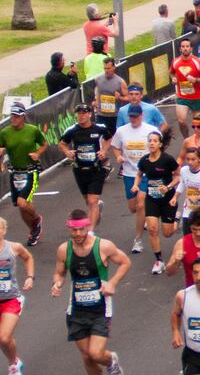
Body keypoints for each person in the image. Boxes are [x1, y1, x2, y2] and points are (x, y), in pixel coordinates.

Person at [51, 209, 131, 375]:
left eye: (81, 230)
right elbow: (59, 273)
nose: (78, 234)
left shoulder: (103, 246)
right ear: (69, 228)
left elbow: (125, 262)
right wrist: (57, 283)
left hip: (100, 308)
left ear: (87, 227)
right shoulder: (64, 250)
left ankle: (111, 360)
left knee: (96, 354)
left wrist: (111, 282)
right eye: (74, 230)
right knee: (86, 355)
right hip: (76, 309)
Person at [110, 105, 157, 254]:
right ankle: (148, 214)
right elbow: (115, 146)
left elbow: (158, 146)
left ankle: (137, 240)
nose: (133, 119)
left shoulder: (150, 130)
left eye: (136, 116)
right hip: (129, 173)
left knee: (141, 203)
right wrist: (118, 156)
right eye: (131, 116)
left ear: (142, 115)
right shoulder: (121, 131)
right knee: (133, 208)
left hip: (145, 173)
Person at [0, 103, 47, 246]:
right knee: (21, 206)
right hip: (15, 173)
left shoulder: (32, 130)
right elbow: (1, 148)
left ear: (23, 116)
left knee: (22, 202)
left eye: (16, 116)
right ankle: (33, 230)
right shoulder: (5, 132)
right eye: (11, 115)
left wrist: (37, 153)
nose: (13, 118)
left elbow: (44, 144)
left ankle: (37, 219)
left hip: (30, 171)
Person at [134, 131, 178, 273]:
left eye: (154, 141)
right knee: (152, 229)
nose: (151, 143)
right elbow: (139, 173)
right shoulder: (144, 160)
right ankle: (159, 260)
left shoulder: (167, 160)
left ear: (160, 144)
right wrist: (136, 184)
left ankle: (176, 219)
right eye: (150, 140)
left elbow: (178, 175)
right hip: (152, 199)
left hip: (167, 200)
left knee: (167, 233)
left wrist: (169, 187)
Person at [59, 104, 110, 228]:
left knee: (92, 201)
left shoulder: (99, 128)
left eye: (83, 113)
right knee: (89, 201)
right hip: (80, 170)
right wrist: (67, 152)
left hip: (97, 169)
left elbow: (108, 138)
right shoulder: (72, 130)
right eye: (78, 113)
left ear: (89, 114)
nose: (80, 116)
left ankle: (90, 232)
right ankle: (97, 208)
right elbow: (62, 143)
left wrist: (104, 151)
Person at [0, 218, 36, 375]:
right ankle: (14, 360)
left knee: (4, 337)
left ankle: (13, 365)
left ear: (3, 230)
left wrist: (30, 277)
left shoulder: (13, 247)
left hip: (11, 298)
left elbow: (28, 258)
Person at [171, 37, 200, 137]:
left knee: (198, 123)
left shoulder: (198, 62)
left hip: (196, 96)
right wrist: (173, 78)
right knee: (181, 121)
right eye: (183, 47)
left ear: (191, 48)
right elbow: (172, 72)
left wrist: (196, 80)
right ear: (180, 49)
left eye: (187, 46)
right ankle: (187, 139)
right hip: (182, 96)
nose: (185, 48)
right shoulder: (175, 62)